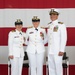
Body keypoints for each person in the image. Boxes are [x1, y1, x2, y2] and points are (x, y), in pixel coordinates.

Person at [47, 8, 67, 75]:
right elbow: (48, 38)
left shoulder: (61, 25)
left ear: (57, 16)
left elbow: (63, 38)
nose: (52, 16)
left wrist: (62, 50)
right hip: (50, 50)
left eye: (54, 15)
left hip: (57, 50)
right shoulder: (49, 25)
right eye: (51, 15)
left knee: (58, 67)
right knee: (51, 67)